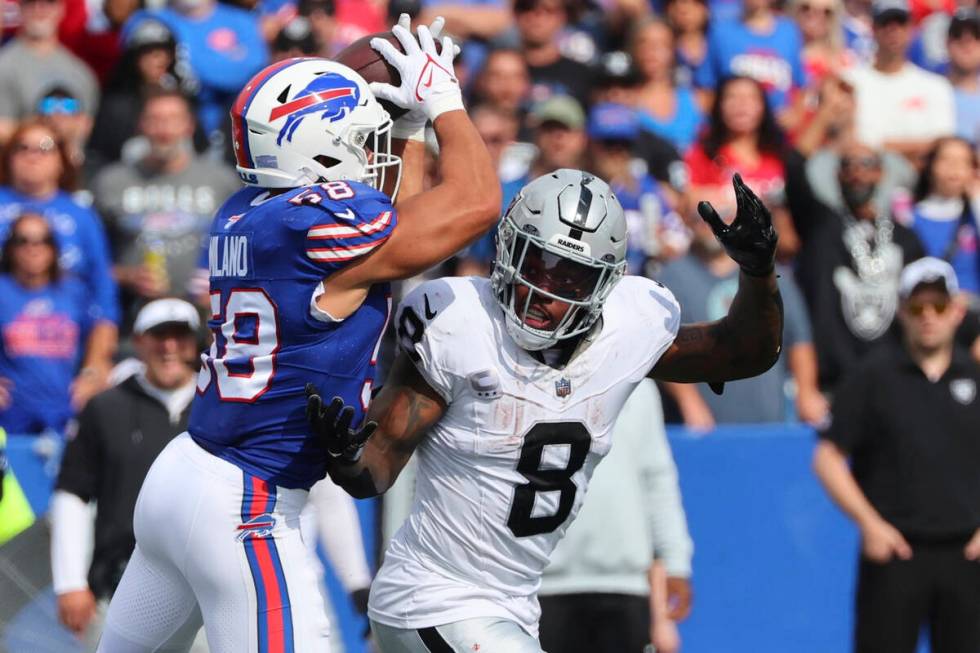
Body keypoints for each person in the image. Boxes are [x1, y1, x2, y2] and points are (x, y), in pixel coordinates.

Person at [97, 15, 501, 652]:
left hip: (182, 473)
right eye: (364, 142)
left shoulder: (248, 210)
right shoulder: (317, 232)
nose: (375, 155)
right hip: (245, 500)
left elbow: (400, 231)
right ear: (320, 151)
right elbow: (475, 203)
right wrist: (446, 103)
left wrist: (410, 127)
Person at [306, 170, 783, 651]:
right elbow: (377, 466)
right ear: (509, 247)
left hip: (514, 604)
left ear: (603, 287)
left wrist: (758, 273)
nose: (544, 290)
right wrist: (349, 456)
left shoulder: (630, 327)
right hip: (433, 595)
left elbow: (744, 352)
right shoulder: (458, 322)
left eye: (569, 276)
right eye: (536, 263)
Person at [813, 256, 980, 653]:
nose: (928, 317)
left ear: (956, 311)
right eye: (917, 307)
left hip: (967, 554)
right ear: (901, 310)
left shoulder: (972, 376)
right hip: (896, 553)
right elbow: (828, 457)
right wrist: (871, 525)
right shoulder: (873, 376)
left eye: (938, 306)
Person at [50, 299, 208, 652]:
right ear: (138, 341)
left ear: (195, 341)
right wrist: (70, 581)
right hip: (118, 584)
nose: (169, 346)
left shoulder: (220, 407)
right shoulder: (105, 408)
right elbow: (73, 494)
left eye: (180, 336)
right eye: (158, 335)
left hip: (206, 593)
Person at [537, 379, 694, 653]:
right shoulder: (528, 383)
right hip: (542, 586)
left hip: (625, 587)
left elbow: (657, 480)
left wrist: (675, 564)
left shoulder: (640, 387)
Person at [659, 201, 826, 428]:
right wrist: (689, 401)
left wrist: (807, 391)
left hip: (767, 420)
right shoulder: (672, 277)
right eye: (699, 217)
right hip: (703, 426)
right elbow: (661, 346)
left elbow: (798, 338)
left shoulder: (766, 273)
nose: (709, 224)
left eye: (721, 214)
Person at [91, 88, 240, 335]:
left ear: (189, 126)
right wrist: (127, 276)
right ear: (141, 125)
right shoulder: (110, 182)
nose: (164, 129)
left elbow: (244, 247)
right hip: (133, 319)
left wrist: (221, 283)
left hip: (207, 319)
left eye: (173, 119)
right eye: (155, 119)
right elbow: (89, 260)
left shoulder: (223, 180)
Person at [0, 119, 119, 405]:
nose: (33, 155)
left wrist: (95, 366)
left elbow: (103, 294)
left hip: (66, 343)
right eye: (22, 147)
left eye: (44, 148)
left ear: (62, 159)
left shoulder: (82, 216)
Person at [797, 140, 926, 391]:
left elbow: (920, 303)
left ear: (881, 173)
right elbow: (794, 170)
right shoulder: (820, 230)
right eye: (847, 165)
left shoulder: (906, 238)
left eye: (866, 164)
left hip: (894, 378)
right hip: (834, 382)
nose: (857, 172)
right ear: (837, 175)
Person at [0, 213, 109, 436]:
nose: (33, 248)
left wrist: (92, 372)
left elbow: (102, 328)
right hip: (11, 416)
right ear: (10, 248)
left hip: (66, 413)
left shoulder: (73, 291)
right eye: (23, 241)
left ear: (54, 248)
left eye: (43, 240)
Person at [843, 0, 955, 165]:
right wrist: (916, 147)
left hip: (921, 176)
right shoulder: (850, 81)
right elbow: (852, 144)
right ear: (873, 29)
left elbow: (941, 145)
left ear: (911, 29)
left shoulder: (935, 86)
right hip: (867, 175)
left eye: (900, 23)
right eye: (885, 23)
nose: (893, 30)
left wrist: (883, 145)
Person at [0, 0, 99, 143]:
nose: (39, 9)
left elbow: (87, 127)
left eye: (49, 2)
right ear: (20, 8)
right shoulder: (4, 65)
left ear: (61, 9)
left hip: (72, 161)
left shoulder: (81, 72)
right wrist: (44, 130)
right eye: (30, 3)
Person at [694, 0, 807, 119]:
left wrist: (794, 116)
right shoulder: (721, 32)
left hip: (776, 129)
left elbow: (801, 86)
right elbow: (705, 88)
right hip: (733, 127)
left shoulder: (789, 32)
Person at [907, 137, 980, 298]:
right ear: (930, 166)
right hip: (928, 312)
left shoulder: (974, 215)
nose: (954, 168)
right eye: (946, 159)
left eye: (963, 161)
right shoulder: (909, 215)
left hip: (972, 311)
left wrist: (976, 198)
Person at [632, 18, 705, 153]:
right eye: (644, 43)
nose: (651, 51)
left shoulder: (697, 101)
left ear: (673, 50)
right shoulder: (627, 102)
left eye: (660, 44)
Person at [514, 0, 593, 108]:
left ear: (562, 17)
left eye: (548, 10)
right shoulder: (500, 72)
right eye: (526, 7)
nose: (537, 16)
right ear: (515, 15)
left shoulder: (581, 75)